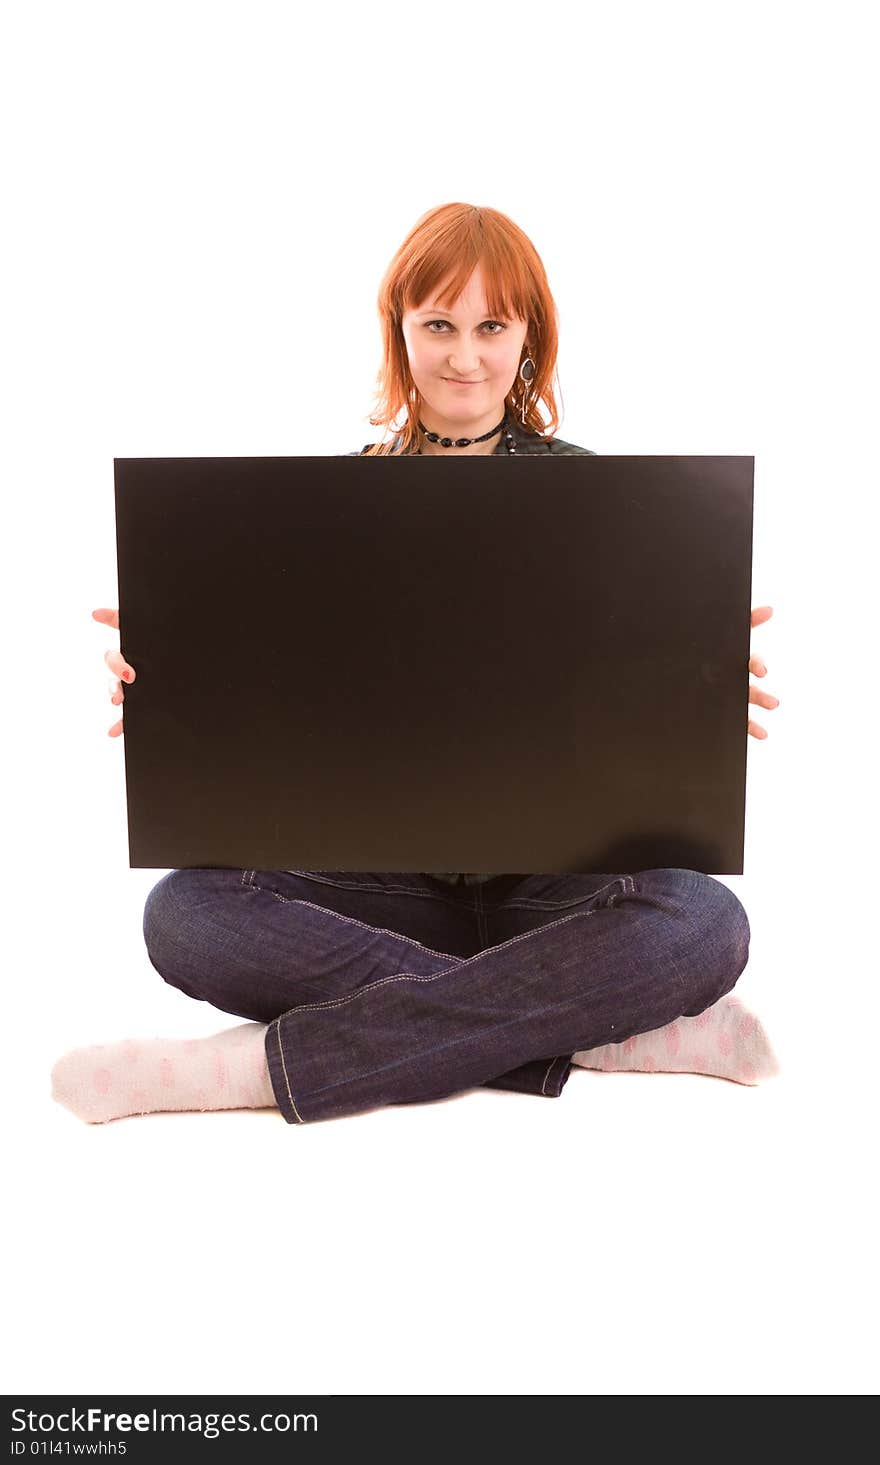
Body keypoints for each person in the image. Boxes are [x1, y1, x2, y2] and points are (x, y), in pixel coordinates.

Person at [51, 202, 781, 1127]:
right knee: (184, 911)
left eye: (491, 327)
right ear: (400, 331)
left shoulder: (605, 499)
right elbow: (284, 711)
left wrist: (698, 684)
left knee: (705, 922)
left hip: (554, 891)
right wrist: (180, 680)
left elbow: (627, 705)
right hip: (383, 890)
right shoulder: (327, 509)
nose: (464, 357)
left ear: (529, 338)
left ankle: (267, 1068)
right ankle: (599, 1029)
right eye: (438, 324)